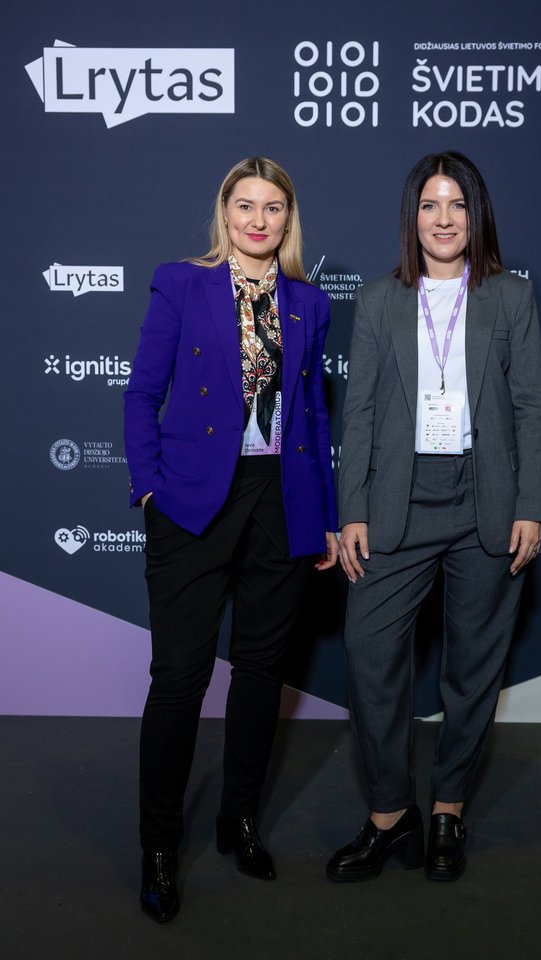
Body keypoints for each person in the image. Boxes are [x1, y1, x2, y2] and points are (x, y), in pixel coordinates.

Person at [124, 156, 338, 922]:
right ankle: (158, 846)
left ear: (288, 219)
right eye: (245, 205)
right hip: (190, 500)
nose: (258, 219)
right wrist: (149, 485)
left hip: (281, 500)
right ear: (225, 212)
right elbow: (142, 392)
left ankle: (238, 821)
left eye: (273, 207)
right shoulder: (181, 284)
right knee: (180, 677)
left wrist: (324, 514)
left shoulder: (308, 302)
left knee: (259, 672)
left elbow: (314, 413)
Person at [327, 151, 541, 883]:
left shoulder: (511, 297)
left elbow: (531, 407)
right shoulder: (379, 300)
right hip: (397, 499)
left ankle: (449, 807)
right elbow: (358, 413)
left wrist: (532, 504)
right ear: (412, 217)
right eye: (430, 205)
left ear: (475, 214)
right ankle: (391, 814)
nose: (444, 218)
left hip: (488, 498)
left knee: (473, 668)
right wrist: (352, 508)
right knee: (369, 654)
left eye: (457, 204)